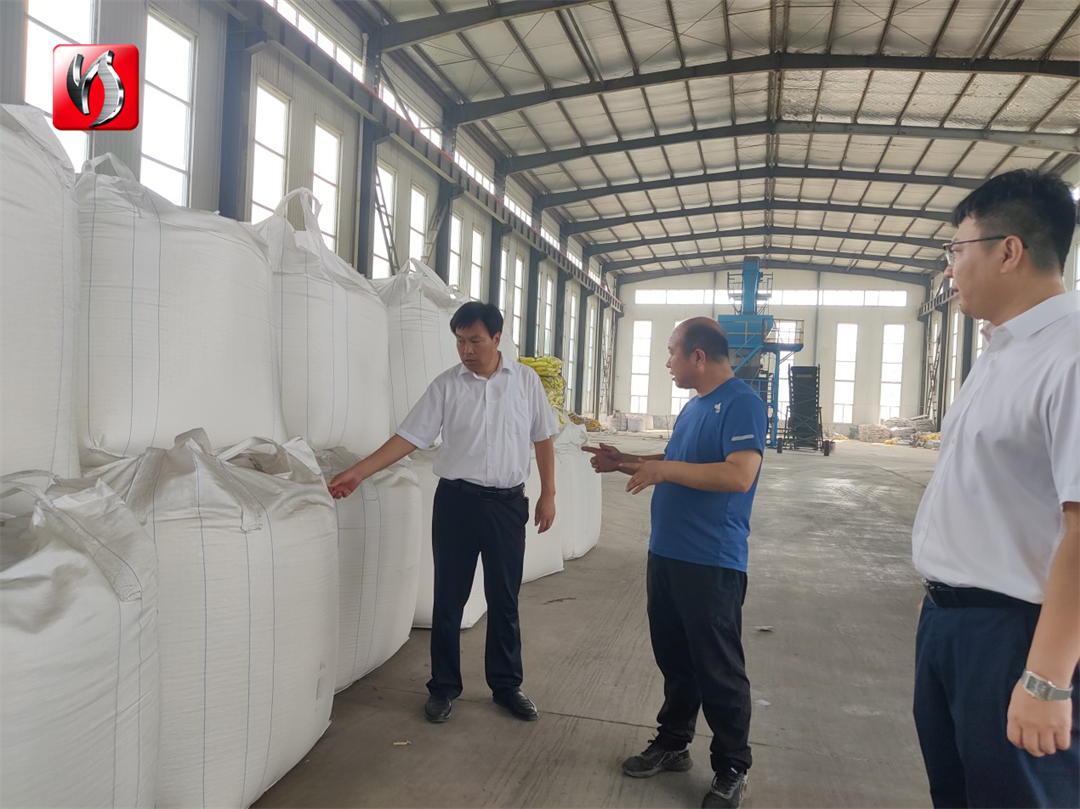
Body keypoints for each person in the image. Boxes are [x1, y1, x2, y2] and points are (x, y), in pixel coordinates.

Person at [910, 169, 1079, 807]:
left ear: (1008, 251)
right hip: (953, 625)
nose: (949, 269)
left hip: (1016, 637)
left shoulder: (1069, 357)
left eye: (956, 250)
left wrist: (1047, 678)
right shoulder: (1002, 352)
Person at [328, 301, 558, 724]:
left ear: (496, 338)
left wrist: (549, 494)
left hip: (508, 506)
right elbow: (408, 438)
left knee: (504, 599)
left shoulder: (525, 382)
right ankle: (443, 687)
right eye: (459, 341)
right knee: (449, 599)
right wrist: (359, 472)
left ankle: (507, 686)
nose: (466, 349)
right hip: (457, 504)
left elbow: (543, 438)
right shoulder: (447, 386)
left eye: (475, 340)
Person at [585, 317, 767, 809]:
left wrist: (664, 470)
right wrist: (624, 460)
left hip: (711, 560)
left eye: (672, 352)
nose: (667, 362)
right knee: (676, 661)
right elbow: (674, 459)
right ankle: (673, 742)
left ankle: (732, 767)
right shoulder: (694, 408)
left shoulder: (742, 403)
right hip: (667, 554)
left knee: (718, 669)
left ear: (698, 357)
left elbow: (738, 475)